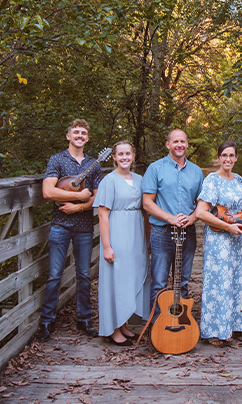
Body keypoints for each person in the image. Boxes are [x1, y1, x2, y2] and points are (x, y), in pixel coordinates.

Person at [37, 119, 102, 342]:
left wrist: (79, 207)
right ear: (68, 136)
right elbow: (48, 192)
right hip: (60, 225)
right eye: (76, 132)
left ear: (87, 138)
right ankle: (47, 321)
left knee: (84, 275)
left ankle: (84, 319)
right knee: (55, 275)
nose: (80, 135)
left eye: (84, 133)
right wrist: (76, 196)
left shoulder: (95, 163)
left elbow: (95, 196)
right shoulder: (57, 160)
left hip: (84, 227)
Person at [94, 141, 150, 346]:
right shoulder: (109, 181)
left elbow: (146, 209)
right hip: (117, 232)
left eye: (128, 153)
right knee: (117, 279)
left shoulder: (140, 179)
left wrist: (148, 239)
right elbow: (102, 215)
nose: (125, 157)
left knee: (132, 277)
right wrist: (107, 246)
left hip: (136, 233)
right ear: (115, 158)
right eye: (120, 154)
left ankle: (124, 323)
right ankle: (112, 329)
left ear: (133, 156)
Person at [142, 129, 204, 312]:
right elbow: (147, 203)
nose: (179, 145)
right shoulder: (155, 168)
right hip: (162, 232)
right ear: (168, 144)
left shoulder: (196, 172)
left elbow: (202, 203)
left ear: (187, 144)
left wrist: (192, 218)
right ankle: (157, 326)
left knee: (182, 282)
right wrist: (171, 218)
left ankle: (180, 326)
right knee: (159, 282)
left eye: (183, 141)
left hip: (187, 233)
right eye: (175, 141)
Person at [195, 141, 242, 346]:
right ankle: (215, 330)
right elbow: (201, 213)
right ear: (218, 158)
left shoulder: (239, 180)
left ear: (236, 158)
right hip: (219, 239)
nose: (228, 159)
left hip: (237, 238)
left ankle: (233, 325)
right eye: (224, 155)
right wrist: (227, 227)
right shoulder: (212, 180)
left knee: (236, 279)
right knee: (219, 281)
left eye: (232, 155)